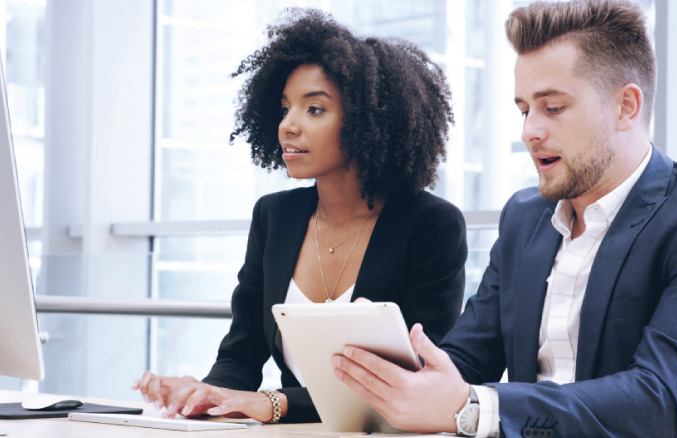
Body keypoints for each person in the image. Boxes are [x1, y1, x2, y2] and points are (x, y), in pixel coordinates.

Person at [332, 1, 677, 437]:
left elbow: (657, 401)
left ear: (626, 107)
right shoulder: (525, 218)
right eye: (524, 109)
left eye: (552, 108)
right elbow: (463, 360)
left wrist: (473, 407)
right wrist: (385, 356)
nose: (528, 131)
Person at [132, 9, 468, 424]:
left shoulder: (431, 226)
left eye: (314, 109)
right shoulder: (274, 217)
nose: (288, 125)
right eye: (285, 108)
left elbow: (413, 378)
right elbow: (241, 354)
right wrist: (202, 396)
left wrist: (276, 402)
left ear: (368, 122)